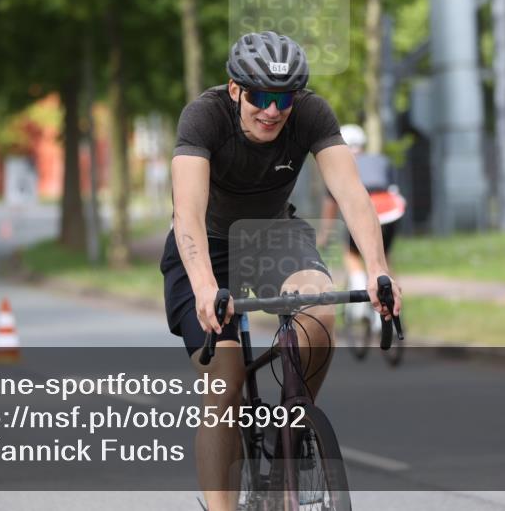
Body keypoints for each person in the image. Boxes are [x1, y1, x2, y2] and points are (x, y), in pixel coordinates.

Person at [160, 30, 402, 511]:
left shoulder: (311, 114)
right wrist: (207, 288)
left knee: (320, 313)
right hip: (205, 247)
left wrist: (379, 270)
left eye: (284, 97)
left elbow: (352, 194)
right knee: (224, 379)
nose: (272, 110)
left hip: (274, 234)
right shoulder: (203, 117)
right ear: (235, 89)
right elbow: (187, 212)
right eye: (260, 96)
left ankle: (290, 431)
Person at [318, 124, 406, 331]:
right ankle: (387, 312)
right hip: (392, 210)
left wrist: (324, 234)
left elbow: (331, 205)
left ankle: (358, 287)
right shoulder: (381, 160)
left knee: (350, 252)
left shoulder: (341, 166)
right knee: (383, 256)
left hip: (368, 208)